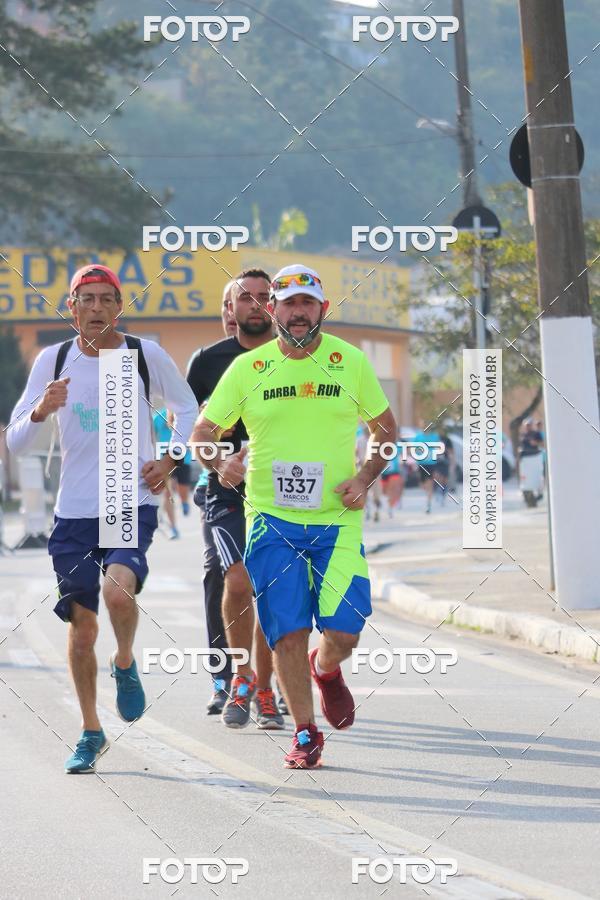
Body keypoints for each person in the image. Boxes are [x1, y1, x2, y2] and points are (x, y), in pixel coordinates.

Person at [193, 263, 396, 768]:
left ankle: (325, 670)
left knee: (345, 633)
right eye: (289, 304)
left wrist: (365, 476)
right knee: (285, 630)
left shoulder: (348, 362)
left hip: (336, 521)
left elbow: (386, 430)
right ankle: (306, 734)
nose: (298, 312)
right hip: (271, 521)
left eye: (308, 303)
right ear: (273, 310)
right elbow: (201, 436)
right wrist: (224, 462)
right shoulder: (247, 370)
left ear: (322, 309)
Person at [6, 264, 197, 774]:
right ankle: (91, 731)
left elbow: (188, 406)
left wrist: (173, 457)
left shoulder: (141, 355)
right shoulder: (55, 359)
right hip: (73, 511)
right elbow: (16, 438)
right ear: (71, 308)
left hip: (127, 498)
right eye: (85, 299)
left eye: (105, 299)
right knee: (83, 627)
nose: (95, 308)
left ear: (119, 305)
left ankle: (126, 661)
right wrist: (42, 410)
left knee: (118, 591)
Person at [187, 270, 286, 729]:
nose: (256, 305)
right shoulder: (211, 362)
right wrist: (211, 465)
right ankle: (229, 677)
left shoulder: (297, 357)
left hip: (284, 491)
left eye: (266, 297)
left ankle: (274, 682)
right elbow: (190, 425)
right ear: (230, 310)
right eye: (245, 298)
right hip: (223, 489)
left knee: (275, 586)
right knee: (229, 577)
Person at [413, 420, 443, 514]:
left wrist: (437, 454)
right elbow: (413, 449)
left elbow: (439, 447)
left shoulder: (435, 436)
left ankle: (428, 504)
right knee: (423, 485)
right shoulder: (418, 437)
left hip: (431, 463)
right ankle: (429, 495)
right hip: (421, 463)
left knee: (429, 483)